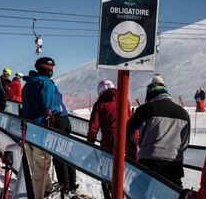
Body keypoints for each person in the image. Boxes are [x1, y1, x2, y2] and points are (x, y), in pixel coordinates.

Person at [22, 57, 77, 198]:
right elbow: (48, 107)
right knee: (42, 163)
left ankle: (46, 187)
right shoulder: (46, 84)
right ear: (48, 70)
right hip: (41, 127)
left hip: (28, 127)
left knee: (35, 163)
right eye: (52, 69)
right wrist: (58, 107)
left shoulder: (28, 84)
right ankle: (38, 194)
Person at [126, 76, 190, 187]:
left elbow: (130, 133)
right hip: (174, 167)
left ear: (150, 95)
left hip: (148, 163)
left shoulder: (145, 109)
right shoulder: (184, 113)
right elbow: (184, 144)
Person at [87, 79, 131, 199]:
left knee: (106, 174)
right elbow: (130, 120)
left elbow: (93, 128)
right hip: (126, 142)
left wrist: (89, 143)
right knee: (123, 174)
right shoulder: (125, 99)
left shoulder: (100, 104)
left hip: (108, 143)